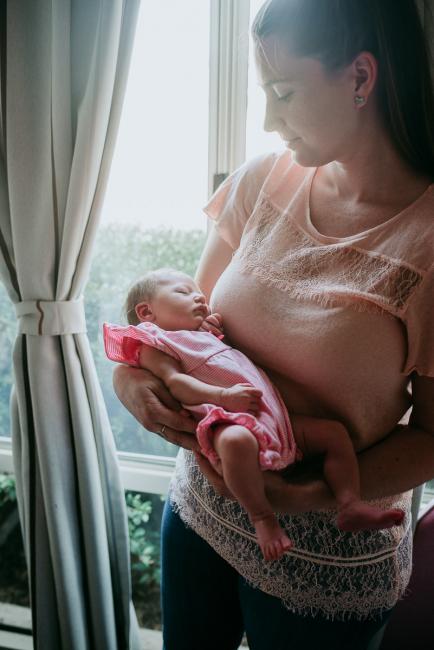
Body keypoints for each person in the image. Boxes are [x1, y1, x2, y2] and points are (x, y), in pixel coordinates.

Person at [112, 1, 434, 648]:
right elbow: (187, 324)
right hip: (202, 512)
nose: (265, 119)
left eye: (283, 92)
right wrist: (130, 382)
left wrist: (311, 495)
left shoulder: (426, 240)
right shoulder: (261, 182)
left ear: (362, 78)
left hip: (325, 562)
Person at [103, 269, 404, 560]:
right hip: (226, 416)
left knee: (333, 434)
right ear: (146, 313)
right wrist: (222, 396)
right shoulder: (158, 344)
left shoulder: (200, 333)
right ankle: (262, 517)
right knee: (235, 443)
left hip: (276, 418)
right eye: (184, 292)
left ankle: (349, 503)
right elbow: (176, 384)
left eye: (199, 293)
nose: (200, 298)